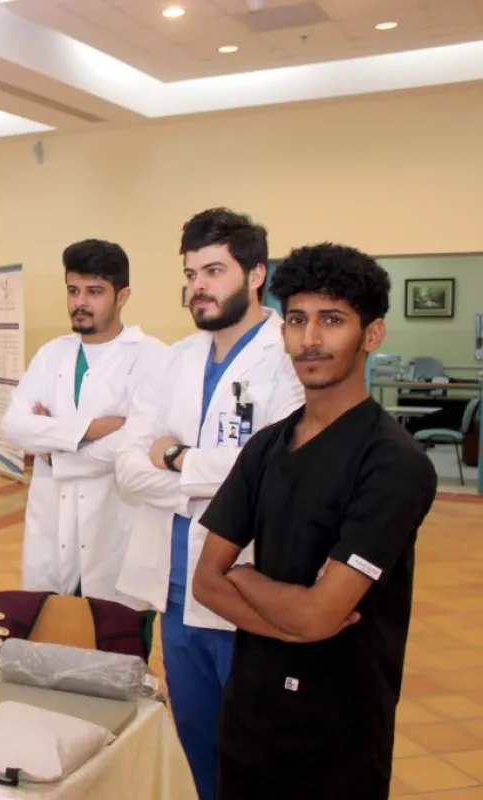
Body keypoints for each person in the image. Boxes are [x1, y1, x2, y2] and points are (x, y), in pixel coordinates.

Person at [193, 244, 438, 798]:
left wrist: (246, 577)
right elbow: (206, 582)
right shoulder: (265, 447)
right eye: (297, 320)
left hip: (338, 734)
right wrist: (295, 621)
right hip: (250, 720)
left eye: (332, 320)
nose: (309, 339)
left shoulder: (392, 463)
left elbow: (320, 614)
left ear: (372, 334)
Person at [114, 208, 304, 800]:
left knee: (256, 751)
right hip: (176, 595)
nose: (198, 286)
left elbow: (276, 471)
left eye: (214, 271)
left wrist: (174, 458)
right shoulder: (175, 360)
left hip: (244, 591)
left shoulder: (288, 358)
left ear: (256, 274)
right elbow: (127, 467)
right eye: (191, 273)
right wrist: (211, 472)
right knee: (196, 744)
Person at [1, 239, 166, 649]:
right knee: (51, 647)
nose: (80, 302)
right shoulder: (51, 355)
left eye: (94, 291)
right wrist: (93, 428)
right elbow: (14, 427)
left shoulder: (152, 358)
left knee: (118, 657)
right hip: (52, 527)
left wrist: (53, 445)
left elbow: (136, 443)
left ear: (123, 296)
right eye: (73, 290)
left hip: (118, 530)